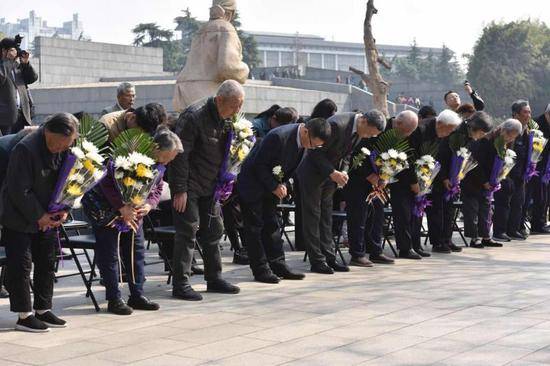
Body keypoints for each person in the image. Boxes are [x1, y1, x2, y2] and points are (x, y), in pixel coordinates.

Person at [83, 128, 182, 315]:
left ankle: (137, 294)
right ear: (155, 148)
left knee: (136, 253)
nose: (167, 162)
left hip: (136, 213)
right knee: (110, 255)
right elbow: (106, 182)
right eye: (166, 157)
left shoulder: (159, 163)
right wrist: (121, 207)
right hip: (108, 211)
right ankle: (114, 298)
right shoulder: (126, 155)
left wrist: (150, 205)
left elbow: (157, 186)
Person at [1, 113, 78, 332]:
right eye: (58, 143)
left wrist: (64, 209)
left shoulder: (67, 148)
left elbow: (71, 180)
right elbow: (18, 190)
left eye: (66, 144)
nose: (60, 148)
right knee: (21, 265)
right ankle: (23, 315)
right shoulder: (25, 149)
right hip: (19, 215)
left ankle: (43, 309)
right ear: (48, 132)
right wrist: (40, 216)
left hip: (48, 214)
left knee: (47, 260)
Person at [169, 80, 244, 301]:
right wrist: (180, 189)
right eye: (234, 105)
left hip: (212, 185)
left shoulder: (228, 119)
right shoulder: (194, 116)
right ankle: (181, 283)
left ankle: (214, 278)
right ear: (220, 100)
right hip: (189, 185)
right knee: (187, 232)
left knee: (214, 231)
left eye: (240, 105)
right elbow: (180, 154)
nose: (237, 110)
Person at [237, 118, 331, 283]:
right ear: (306, 131)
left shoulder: (305, 142)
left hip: (271, 186)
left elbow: (292, 169)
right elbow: (259, 165)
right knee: (254, 228)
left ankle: (279, 264)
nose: (312, 148)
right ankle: (260, 269)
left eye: (317, 146)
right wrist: (274, 186)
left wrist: (285, 184)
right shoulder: (278, 137)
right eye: (312, 144)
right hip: (252, 184)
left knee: (272, 225)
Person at [297, 109, 386, 274]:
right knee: (313, 216)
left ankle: (329, 257)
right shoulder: (337, 125)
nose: (368, 137)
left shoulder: (359, 130)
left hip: (331, 177)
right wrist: (333, 172)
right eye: (369, 133)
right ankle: (317, 260)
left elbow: (347, 154)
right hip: (313, 174)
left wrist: (344, 171)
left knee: (326, 217)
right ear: (364, 121)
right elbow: (315, 151)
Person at [172, 0, 249, 111]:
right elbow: (227, 67)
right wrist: (245, 69)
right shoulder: (226, 28)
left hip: (184, 90)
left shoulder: (201, 30)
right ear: (231, 12)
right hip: (207, 93)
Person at [463, 118, 521, 248]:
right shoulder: (486, 140)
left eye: (513, 137)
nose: (510, 139)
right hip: (474, 180)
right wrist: (484, 181)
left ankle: (485, 236)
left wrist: (499, 176)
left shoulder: (501, 143)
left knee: (485, 210)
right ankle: (474, 238)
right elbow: (475, 163)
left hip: (488, 182)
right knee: (473, 210)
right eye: (510, 136)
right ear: (503, 130)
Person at [493, 100, 533, 241]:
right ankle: (499, 231)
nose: (528, 115)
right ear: (516, 114)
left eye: (529, 111)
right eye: (525, 112)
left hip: (521, 174)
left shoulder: (528, 130)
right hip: (506, 174)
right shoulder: (508, 129)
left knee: (518, 203)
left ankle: (513, 229)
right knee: (503, 203)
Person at [425, 110, 464, 253]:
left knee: (449, 211)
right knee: (436, 212)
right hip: (436, 180)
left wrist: (456, 176)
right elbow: (436, 159)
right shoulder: (434, 135)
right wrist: (444, 178)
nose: (451, 132)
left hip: (450, 179)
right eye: (450, 129)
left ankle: (447, 239)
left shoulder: (451, 136)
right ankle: (437, 242)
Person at [0, 36, 38, 135]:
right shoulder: (3, 66)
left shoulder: (18, 66)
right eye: (13, 50)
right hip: (6, 118)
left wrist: (25, 64)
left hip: (23, 115)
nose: (15, 53)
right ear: (4, 51)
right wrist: (8, 60)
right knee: (7, 147)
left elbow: (32, 78)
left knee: (22, 147)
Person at [530, 103, 550, 233]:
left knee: (546, 197)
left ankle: (542, 221)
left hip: (547, 167)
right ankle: (537, 224)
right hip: (536, 167)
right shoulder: (536, 124)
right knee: (539, 196)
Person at [99, 103, 167, 142]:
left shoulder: (145, 125)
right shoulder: (106, 125)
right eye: (138, 132)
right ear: (132, 117)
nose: (139, 136)